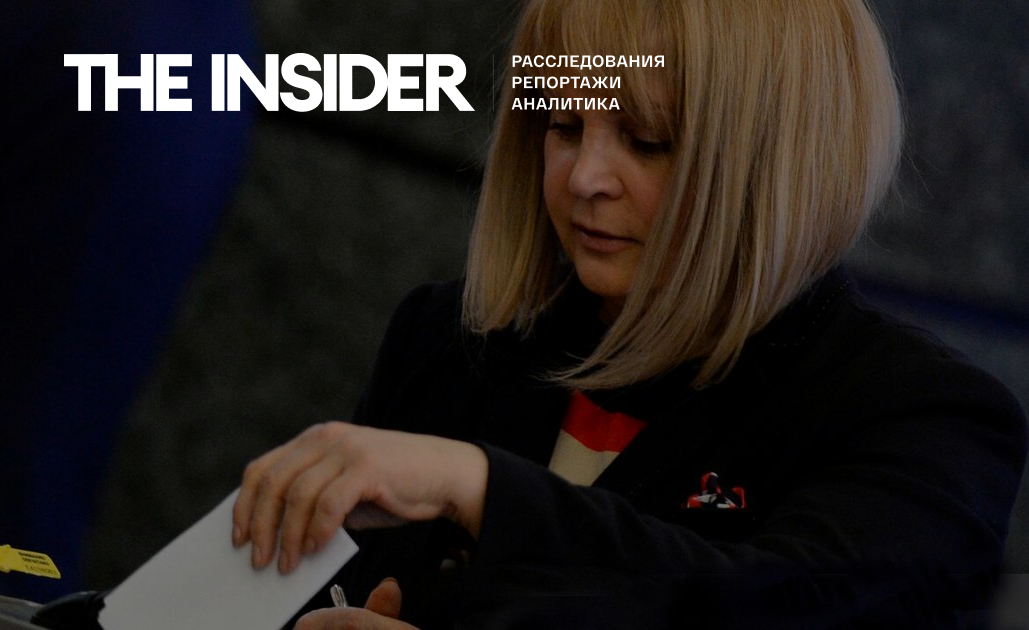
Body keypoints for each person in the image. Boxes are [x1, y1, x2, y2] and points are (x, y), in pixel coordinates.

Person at [232, 0, 1027, 627]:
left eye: (646, 140)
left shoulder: (924, 417)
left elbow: (771, 602)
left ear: (778, 163)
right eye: (563, 125)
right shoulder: (451, 341)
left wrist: (478, 485)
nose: (585, 178)